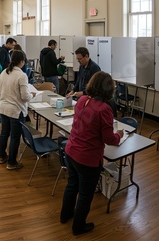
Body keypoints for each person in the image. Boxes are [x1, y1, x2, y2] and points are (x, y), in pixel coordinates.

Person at [60, 71, 123, 236]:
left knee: (72, 185)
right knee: (86, 194)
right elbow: (109, 138)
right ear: (109, 89)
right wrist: (119, 136)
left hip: (71, 151)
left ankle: (65, 215)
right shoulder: (105, 109)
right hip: (87, 158)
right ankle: (78, 226)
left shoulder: (82, 100)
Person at [0, 51, 36, 170]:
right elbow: (25, 97)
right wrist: (32, 95)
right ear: (22, 61)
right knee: (14, 137)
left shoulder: (4, 72)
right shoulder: (22, 75)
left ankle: (2, 156)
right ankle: (12, 162)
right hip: (16, 110)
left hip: (3, 108)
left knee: (4, 133)